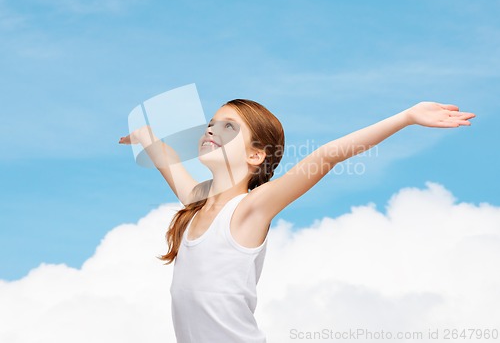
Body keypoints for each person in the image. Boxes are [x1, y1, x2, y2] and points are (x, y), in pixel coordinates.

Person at [119, 99, 475, 343]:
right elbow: (167, 160)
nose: (212, 130)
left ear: (256, 155)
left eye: (228, 128)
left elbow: (328, 155)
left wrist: (407, 117)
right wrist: (146, 137)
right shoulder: (196, 203)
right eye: (211, 124)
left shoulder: (250, 209)